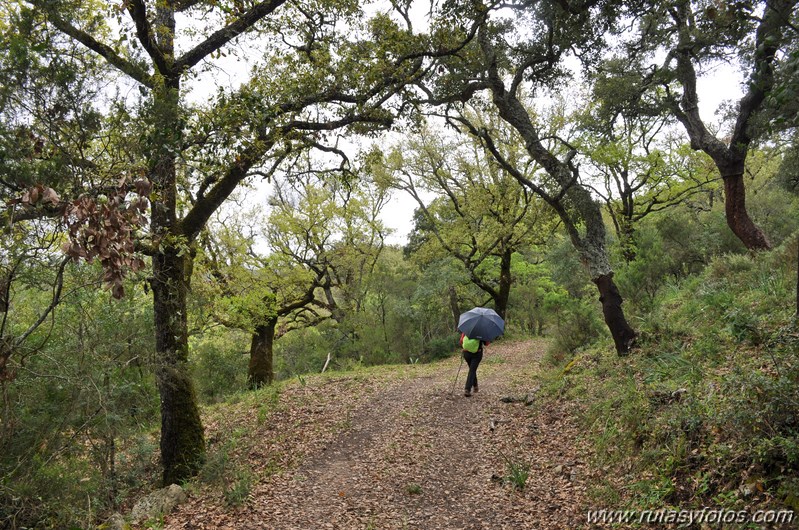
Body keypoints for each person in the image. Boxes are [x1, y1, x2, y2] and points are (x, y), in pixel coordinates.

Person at [459, 332, 488, 397]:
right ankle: (467, 389)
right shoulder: (481, 331)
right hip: (476, 354)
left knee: (472, 370)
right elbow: (486, 343)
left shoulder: (467, 330)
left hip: (466, 353)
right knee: (472, 370)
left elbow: (461, 341)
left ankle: (475, 386)